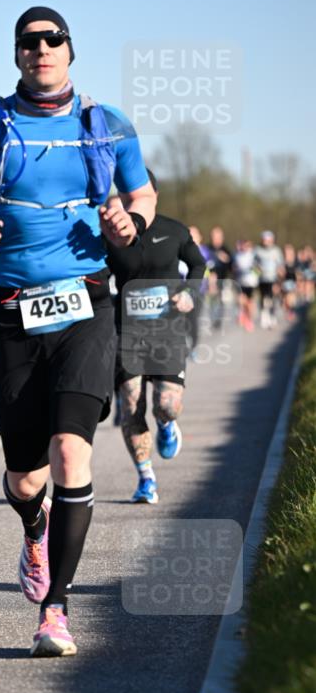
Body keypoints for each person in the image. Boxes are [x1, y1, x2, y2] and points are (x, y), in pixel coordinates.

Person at [0, 6, 156, 657]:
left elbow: (141, 196)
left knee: (70, 454)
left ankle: (55, 609)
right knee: (28, 477)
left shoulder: (105, 124)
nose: (40, 49)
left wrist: (130, 226)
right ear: (16, 55)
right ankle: (34, 528)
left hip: (87, 307)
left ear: (69, 49)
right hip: (10, 312)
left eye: (50, 39)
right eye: (27, 42)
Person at [105, 173, 206, 505]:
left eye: (137, 195)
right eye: (124, 195)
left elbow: (197, 264)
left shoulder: (174, 230)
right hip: (127, 331)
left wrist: (189, 292)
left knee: (166, 405)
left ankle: (166, 425)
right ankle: (146, 478)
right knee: (131, 403)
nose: (129, 201)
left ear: (153, 196)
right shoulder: (109, 236)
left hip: (168, 331)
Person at [254, 229, 284, 329]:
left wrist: (280, 278)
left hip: (273, 278)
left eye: (268, 240)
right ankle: (264, 316)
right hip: (262, 279)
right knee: (263, 298)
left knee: (272, 298)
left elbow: (280, 266)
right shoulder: (257, 250)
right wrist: (257, 273)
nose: (266, 241)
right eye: (265, 239)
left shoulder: (276, 251)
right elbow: (254, 266)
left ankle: (272, 315)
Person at [206, 226, 233, 330]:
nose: (215, 238)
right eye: (213, 236)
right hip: (210, 280)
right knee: (212, 300)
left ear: (222, 237)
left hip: (223, 278)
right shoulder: (207, 248)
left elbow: (232, 266)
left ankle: (219, 319)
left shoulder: (226, 249)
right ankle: (213, 318)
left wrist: (226, 259)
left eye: (218, 236)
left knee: (222, 300)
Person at [233, 239, 259, 331]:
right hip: (241, 282)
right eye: (243, 245)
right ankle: (242, 315)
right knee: (241, 300)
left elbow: (258, 270)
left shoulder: (253, 256)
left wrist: (254, 271)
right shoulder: (237, 255)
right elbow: (234, 268)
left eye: (247, 245)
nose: (244, 247)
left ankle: (249, 319)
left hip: (251, 283)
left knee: (249, 303)